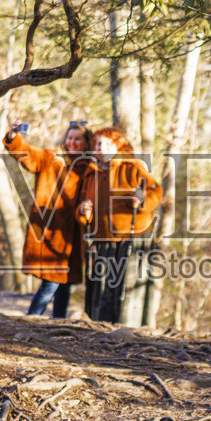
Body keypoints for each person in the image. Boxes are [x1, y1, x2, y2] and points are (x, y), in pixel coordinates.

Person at [3, 120, 92, 319]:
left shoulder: (89, 167)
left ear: (86, 143)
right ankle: (31, 319)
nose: (72, 142)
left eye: (77, 139)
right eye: (70, 138)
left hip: (73, 235)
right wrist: (13, 138)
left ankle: (58, 322)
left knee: (65, 283)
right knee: (51, 281)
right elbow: (28, 155)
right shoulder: (52, 157)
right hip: (49, 230)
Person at [75, 126, 162, 323]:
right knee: (102, 286)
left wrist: (141, 200)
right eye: (97, 143)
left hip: (132, 235)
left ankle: (127, 329)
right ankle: (101, 327)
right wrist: (83, 211)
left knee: (126, 287)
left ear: (118, 145)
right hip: (102, 238)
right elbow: (82, 206)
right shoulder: (91, 173)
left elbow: (155, 191)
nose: (100, 147)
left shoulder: (132, 167)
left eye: (106, 143)